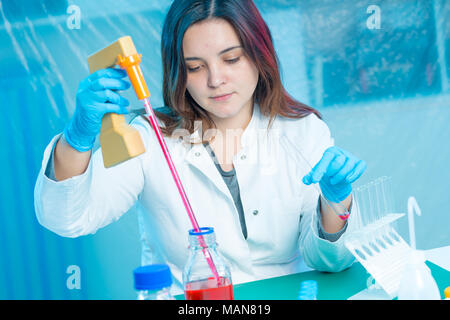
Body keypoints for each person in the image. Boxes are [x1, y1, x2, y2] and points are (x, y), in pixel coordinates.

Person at [34, 0, 366, 295]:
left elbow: (331, 262)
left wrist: (336, 202)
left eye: (231, 59)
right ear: (178, 71)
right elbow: (68, 220)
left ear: (259, 55)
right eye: (195, 66)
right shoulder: (151, 138)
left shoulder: (302, 131)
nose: (215, 79)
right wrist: (77, 138)